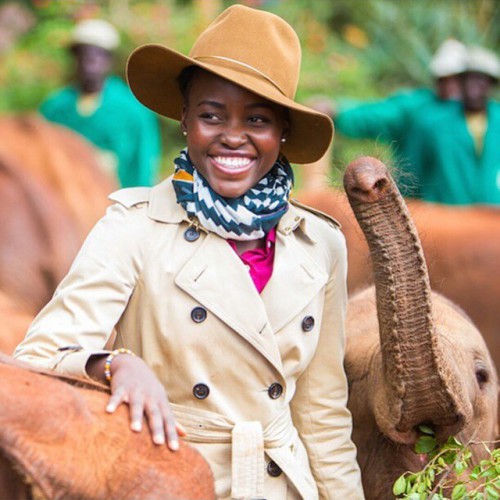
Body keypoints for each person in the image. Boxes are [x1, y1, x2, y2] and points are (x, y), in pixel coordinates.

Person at [15, 5, 364, 499]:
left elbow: (323, 413)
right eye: (211, 115)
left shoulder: (320, 242)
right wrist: (114, 365)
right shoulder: (134, 227)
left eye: (257, 119)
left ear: (283, 130)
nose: (233, 136)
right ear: (184, 118)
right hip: (174, 477)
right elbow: (40, 357)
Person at [307, 39, 468, 195]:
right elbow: (374, 115)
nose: (450, 86)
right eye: (444, 79)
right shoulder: (416, 107)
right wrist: (337, 110)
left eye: (456, 79)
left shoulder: (489, 115)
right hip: (423, 208)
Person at [40, 19, 161, 188]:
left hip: (115, 204)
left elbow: (143, 161)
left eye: (97, 55)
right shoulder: (56, 108)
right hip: (64, 200)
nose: (89, 62)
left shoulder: (132, 109)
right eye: (83, 54)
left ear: (109, 60)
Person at [403, 45, 500, 204]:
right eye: (468, 79)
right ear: (460, 82)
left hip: (491, 221)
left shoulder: (497, 120)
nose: (474, 86)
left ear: (491, 84)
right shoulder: (431, 122)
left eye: (481, 79)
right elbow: (409, 175)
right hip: (442, 220)